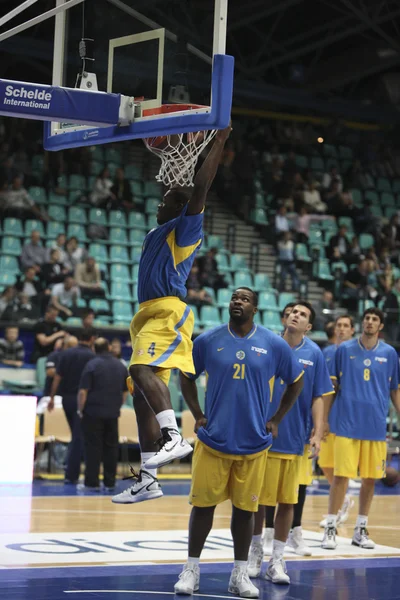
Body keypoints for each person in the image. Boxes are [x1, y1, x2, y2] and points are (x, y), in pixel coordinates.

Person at [173, 287, 304, 597]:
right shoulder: (207, 340)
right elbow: (186, 376)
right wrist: (197, 412)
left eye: (244, 299)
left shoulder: (273, 344)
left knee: (245, 511)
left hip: (254, 443)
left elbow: (296, 381)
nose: (237, 302)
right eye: (234, 297)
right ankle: (191, 569)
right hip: (213, 439)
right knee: (202, 507)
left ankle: (239, 574)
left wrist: (275, 419)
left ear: (255, 308)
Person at [125, 124, 233, 474]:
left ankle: (174, 436)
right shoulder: (155, 233)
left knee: (140, 370)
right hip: (146, 315)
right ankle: (148, 477)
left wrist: (218, 141)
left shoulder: (184, 231)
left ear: (182, 209)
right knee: (141, 396)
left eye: (167, 199)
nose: (160, 201)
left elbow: (200, 186)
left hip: (166, 312)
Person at [248, 302, 333, 582]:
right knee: (258, 502)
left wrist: (318, 432)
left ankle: (278, 560)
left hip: (295, 438)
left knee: (287, 502)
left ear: (308, 326)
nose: (296, 315)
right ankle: (255, 552)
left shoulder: (314, 354)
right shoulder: (267, 344)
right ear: (286, 317)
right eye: (293, 311)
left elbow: (320, 395)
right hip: (263, 437)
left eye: (303, 314)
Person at [322, 308, 400, 550]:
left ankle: (360, 529)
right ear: (362, 322)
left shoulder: (389, 354)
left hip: (375, 427)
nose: (369, 321)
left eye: (374, 319)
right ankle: (331, 528)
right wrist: (324, 420)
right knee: (340, 478)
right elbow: (331, 388)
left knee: (370, 480)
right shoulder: (343, 350)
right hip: (346, 424)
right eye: (366, 318)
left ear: (380, 326)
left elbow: (395, 389)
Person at [319, 315, 359, 529]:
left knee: (341, 469)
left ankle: (333, 512)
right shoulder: (326, 353)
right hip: (326, 414)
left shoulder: (356, 353)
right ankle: (343, 499)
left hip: (346, 417)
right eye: (339, 326)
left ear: (352, 330)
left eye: (345, 326)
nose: (341, 329)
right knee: (325, 463)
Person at [78, 338, 129, 490]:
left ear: (94, 348)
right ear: (108, 347)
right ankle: (110, 482)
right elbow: (125, 391)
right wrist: (117, 405)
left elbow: (83, 391)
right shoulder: (120, 365)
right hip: (112, 413)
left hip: (92, 413)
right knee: (111, 448)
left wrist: (81, 409)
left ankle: (91, 482)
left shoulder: (92, 365)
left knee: (93, 448)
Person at [49, 327, 97, 483]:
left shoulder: (66, 354)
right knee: (78, 437)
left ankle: (71, 471)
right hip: (82, 400)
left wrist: (51, 398)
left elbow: (57, 377)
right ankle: (71, 474)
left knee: (76, 435)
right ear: (91, 339)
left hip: (66, 399)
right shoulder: (92, 356)